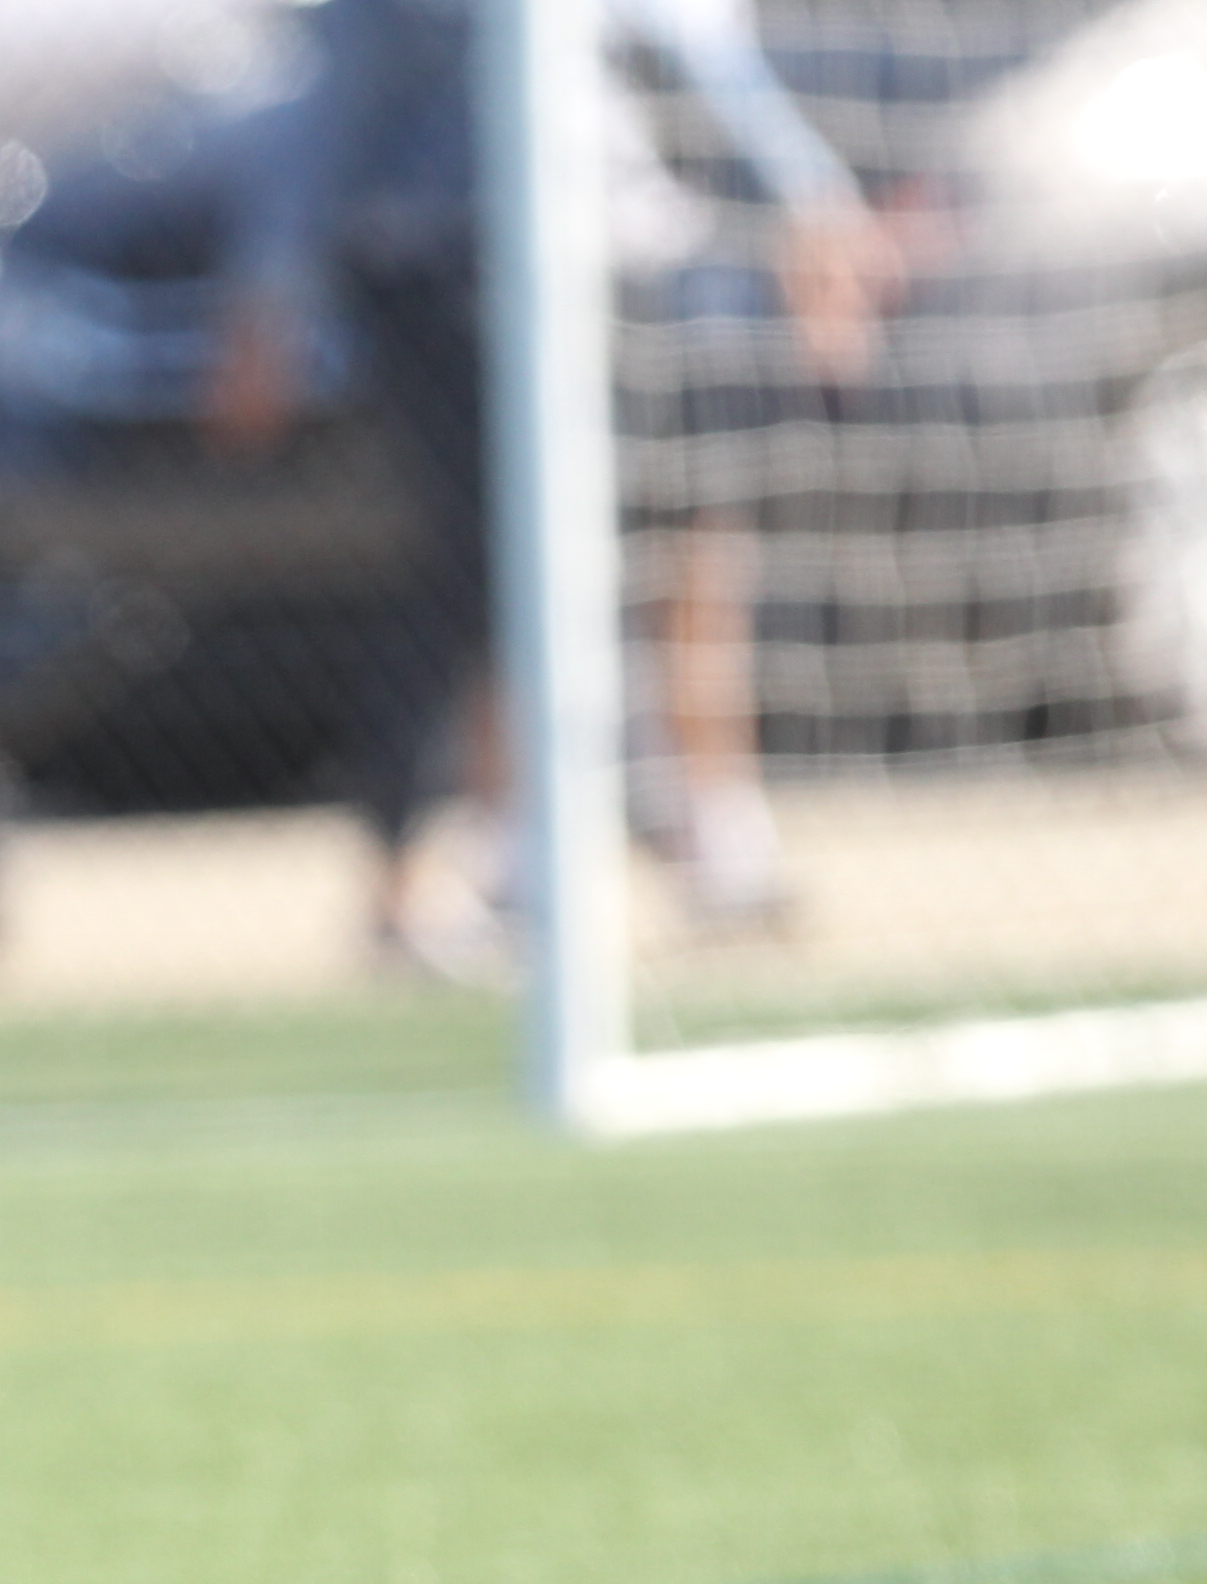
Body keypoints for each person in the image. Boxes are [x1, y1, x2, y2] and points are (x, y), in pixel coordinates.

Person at [204, 0, 892, 961]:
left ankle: (716, 834)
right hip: (453, 275)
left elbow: (701, 58)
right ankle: (498, 853)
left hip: (626, 270)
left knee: (689, 534)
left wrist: (813, 206)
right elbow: (327, 113)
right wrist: (269, 294)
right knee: (494, 566)